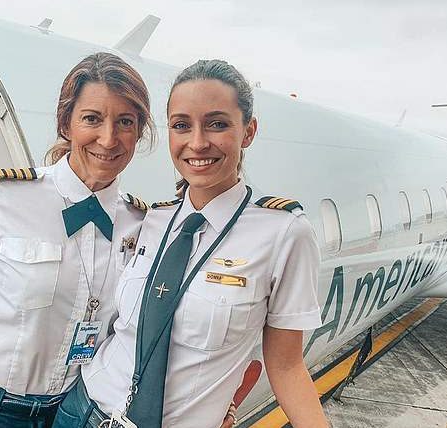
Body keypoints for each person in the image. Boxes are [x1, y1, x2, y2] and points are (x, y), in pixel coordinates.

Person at [54, 59, 329, 428]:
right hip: (83, 411)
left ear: (248, 132)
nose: (197, 143)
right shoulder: (152, 220)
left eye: (217, 124)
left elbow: (287, 366)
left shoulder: (284, 234)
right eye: (181, 126)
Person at [0, 52, 155, 428]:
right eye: (92, 118)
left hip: (69, 414)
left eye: (125, 122)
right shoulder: (0, 195)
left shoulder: (140, 224)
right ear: (66, 123)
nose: (108, 138)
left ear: (138, 132)